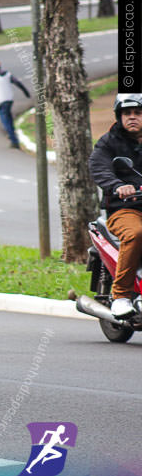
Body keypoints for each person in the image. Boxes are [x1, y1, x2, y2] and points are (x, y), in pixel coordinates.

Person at [89, 93, 142, 319]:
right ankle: (121, 295)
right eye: (126, 113)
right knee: (136, 233)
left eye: (137, 113)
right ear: (119, 117)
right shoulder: (109, 142)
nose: (132, 117)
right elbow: (99, 167)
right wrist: (118, 185)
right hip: (125, 209)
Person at [0, 60, 30, 149]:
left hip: (0, 101)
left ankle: (14, 140)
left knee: (5, 121)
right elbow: (18, 83)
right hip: (9, 100)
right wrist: (26, 92)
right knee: (8, 118)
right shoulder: (7, 75)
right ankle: (12, 134)